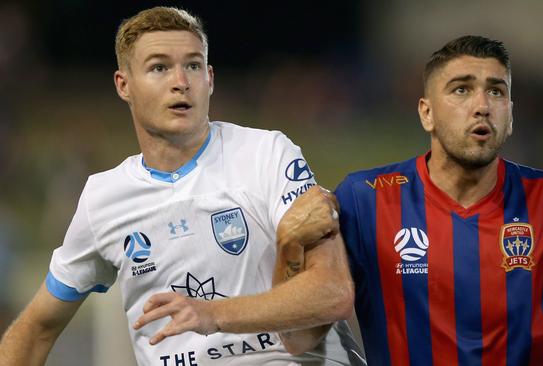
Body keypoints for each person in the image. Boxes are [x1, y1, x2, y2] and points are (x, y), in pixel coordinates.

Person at [0, 6, 362, 365]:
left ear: (210, 78)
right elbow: (36, 330)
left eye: (192, 65)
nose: (181, 81)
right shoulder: (102, 199)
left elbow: (332, 294)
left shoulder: (267, 154)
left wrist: (214, 313)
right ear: (124, 85)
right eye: (159, 67)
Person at [334, 35, 543, 365]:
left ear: (510, 115)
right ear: (427, 113)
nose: (482, 106)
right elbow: (305, 321)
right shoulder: (365, 200)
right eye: (461, 89)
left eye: (496, 91)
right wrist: (294, 245)